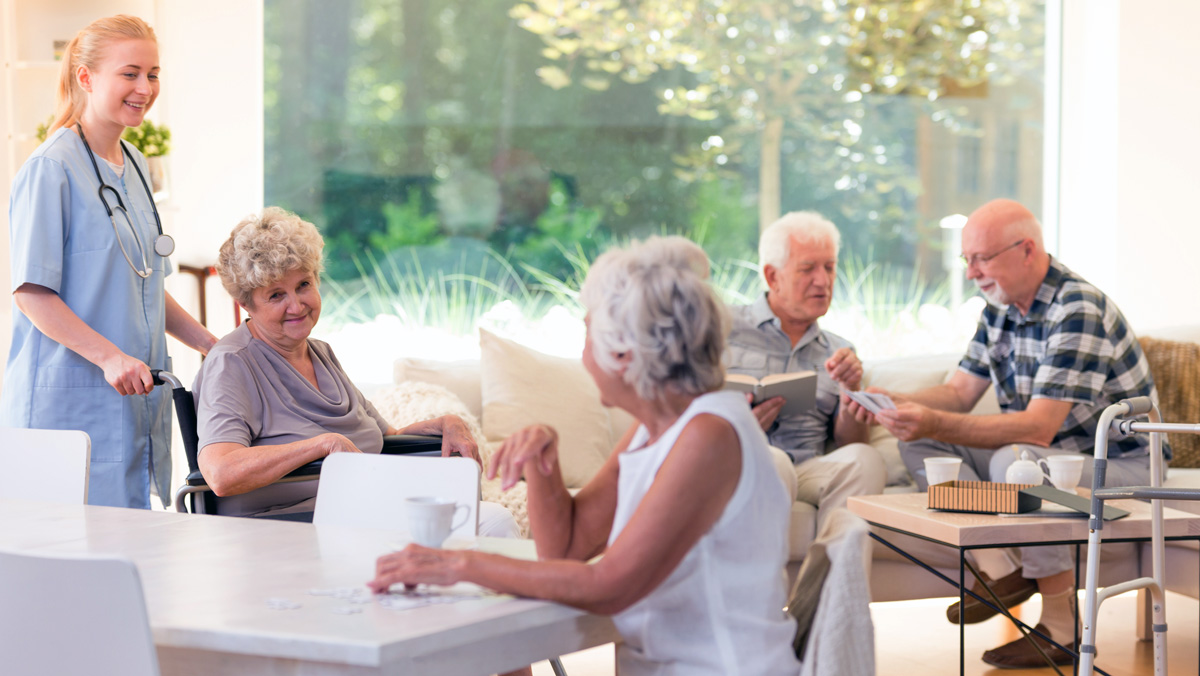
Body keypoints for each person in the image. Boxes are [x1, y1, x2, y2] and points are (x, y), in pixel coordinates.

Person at [370, 237, 802, 675]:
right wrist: (544, 464)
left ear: (623, 354)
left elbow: (609, 585)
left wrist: (459, 563)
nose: (581, 353)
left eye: (586, 332)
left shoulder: (710, 435)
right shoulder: (656, 426)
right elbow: (567, 550)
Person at [850, 198, 1163, 668]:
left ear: (1027, 250)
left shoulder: (1077, 308)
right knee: (919, 440)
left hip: (1123, 464)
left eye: (982, 258)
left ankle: (1061, 627)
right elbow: (957, 393)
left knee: (1015, 462)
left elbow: (1039, 427)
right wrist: (891, 403)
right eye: (967, 259)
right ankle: (1003, 569)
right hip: (1050, 459)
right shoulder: (1000, 309)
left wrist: (930, 416)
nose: (972, 272)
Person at [192, 207, 519, 536]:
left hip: (362, 507)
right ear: (247, 304)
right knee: (493, 523)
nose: (296, 305)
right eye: (276, 295)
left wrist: (448, 422)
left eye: (303, 285)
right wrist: (321, 446)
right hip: (286, 525)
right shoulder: (232, 362)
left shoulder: (320, 352)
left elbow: (386, 435)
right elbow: (221, 472)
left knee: (485, 519)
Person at [0, 15, 217, 509]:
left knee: (127, 548)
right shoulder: (50, 169)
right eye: (130, 73)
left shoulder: (136, 163)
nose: (145, 87)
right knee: (67, 562)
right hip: (68, 401)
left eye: (153, 73)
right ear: (86, 77)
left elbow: (140, 279)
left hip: (131, 397)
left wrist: (209, 343)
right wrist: (109, 356)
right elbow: (32, 293)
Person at [725, 211, 887, 530]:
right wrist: (739, 427)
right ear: (773, 277)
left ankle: (832, 577)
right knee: (773, 461)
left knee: (864, 460)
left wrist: (850, 390)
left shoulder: (839, 351)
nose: (823, 281)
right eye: (808, 268)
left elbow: (850, 443)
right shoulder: (723, 328)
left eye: (829, 267)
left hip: (808, 468)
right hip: (740, 461)